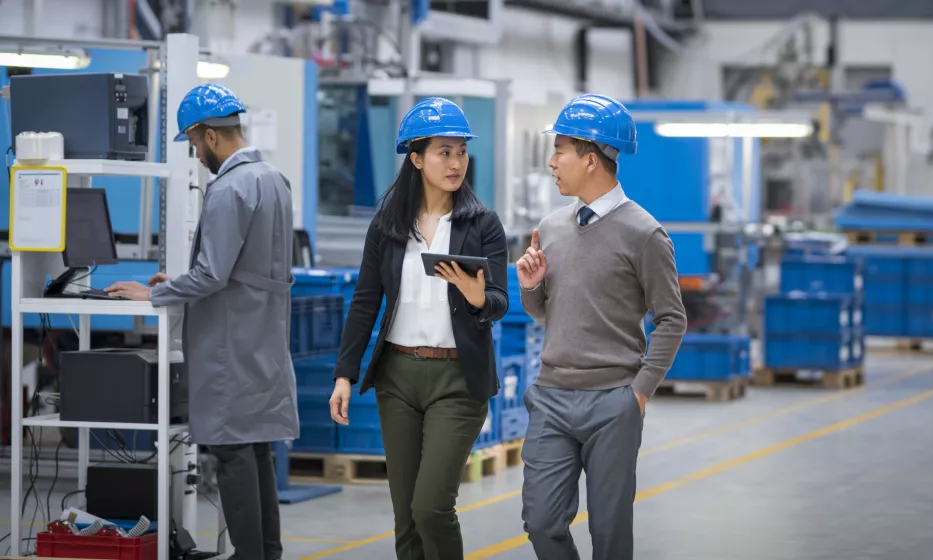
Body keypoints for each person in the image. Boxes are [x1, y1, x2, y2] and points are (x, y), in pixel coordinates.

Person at [107, 83, 297, 560]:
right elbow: (242, 266)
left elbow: (213, 274)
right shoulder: (274, 178)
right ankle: (266, 554)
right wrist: (182, 279)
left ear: (210, 136)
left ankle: (250, 556)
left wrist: (156, 292)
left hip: (230, 343)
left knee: (233, 455)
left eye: (193, 143)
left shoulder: (230, 187)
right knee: (255, 452)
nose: (196, 154)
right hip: (263, 337)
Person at [329, 97, 508, 560]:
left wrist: (475, 297)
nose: (456, 163)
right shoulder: (388, 226)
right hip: (398, 378)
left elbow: (499, 301)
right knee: (405, 515)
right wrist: (344, 374)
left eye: (461, 152)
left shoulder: (483, 224)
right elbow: (365, 302)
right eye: (443, 152)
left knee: (431, 507)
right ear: (416, 158)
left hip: (457, 381)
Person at [516, 93, 687, 560]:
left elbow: (672, 318)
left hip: (613, 400)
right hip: (551, 396)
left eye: (559, 152)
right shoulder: (551, 227)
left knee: (610, 533)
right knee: (541, 521)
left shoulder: (644, 233)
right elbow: (546, 312)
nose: (552, 163)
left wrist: (639, 393)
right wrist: (532, 286)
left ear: (590, 160)